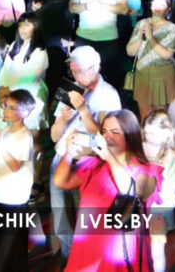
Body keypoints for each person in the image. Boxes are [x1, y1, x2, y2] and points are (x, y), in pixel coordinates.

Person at [53, 109, 162, 272]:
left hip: (119, 253)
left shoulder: (146, 170)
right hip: (88, 249)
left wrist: (110, 157)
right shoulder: (95, 165)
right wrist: (69, 152)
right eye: (104, 131)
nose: (107, 137)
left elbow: (133, 191)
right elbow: (61, 181)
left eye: (115, 132)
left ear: (131, 135)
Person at [48, 46, 121, 258]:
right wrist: (62, 120)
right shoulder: (69, 88)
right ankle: (67, 258)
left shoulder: (108, 95)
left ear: (95, 68)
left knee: (86, 220)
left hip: (87, 163)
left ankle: (85, 259)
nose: (76, 77)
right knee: (61, 216)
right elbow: (54, 136)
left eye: (79, 71)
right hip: (61, 157)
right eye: (72, 71)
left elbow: (107, 138)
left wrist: (83, 111)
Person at [0, 88, 36, 272]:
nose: (6, 110)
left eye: (13, 108)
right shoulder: (5, 130)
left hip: (15, 199)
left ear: (25, 113)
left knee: (11, 247)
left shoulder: (25, 136)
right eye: (6, 106)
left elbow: (15, 165)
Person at [69, 0, 130, 89]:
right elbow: (71, 7)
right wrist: (86, 6)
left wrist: (103, 6)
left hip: (108, 38)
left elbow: (123, 9)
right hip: (84, 36)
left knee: (109, 79)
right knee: (80, 77)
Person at [142, 110, 175, 272]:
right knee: (152, 249)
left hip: (158, 210)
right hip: (154, 207)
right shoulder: (173, 154)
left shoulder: (170, 156)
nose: (148, 137)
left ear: (166, 132)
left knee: (155, 250)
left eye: (153, 134)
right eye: (146, 133)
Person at [126, 0, 175, 126]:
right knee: (144, 116)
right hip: (142, 74)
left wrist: (151, 38)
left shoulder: (171, 28)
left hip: (162, 76)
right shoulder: (141, 24)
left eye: (162, 4)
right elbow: (130, 51)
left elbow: (166, 54)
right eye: (155, 2)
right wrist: (140, 38)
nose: (157, 7)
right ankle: (145, 138)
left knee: (160, 117)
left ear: (168, 9)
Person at [0, 12, 49, 131]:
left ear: (36, 27)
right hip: (9, 95)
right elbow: (5, 70)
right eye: (20, 25)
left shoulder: (40, 52)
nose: (22, 29)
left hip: (29, 97)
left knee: (28, 130)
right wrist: (2, 90)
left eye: (27, 25)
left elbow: (29, 78)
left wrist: (8, 92)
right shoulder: (14, 45)